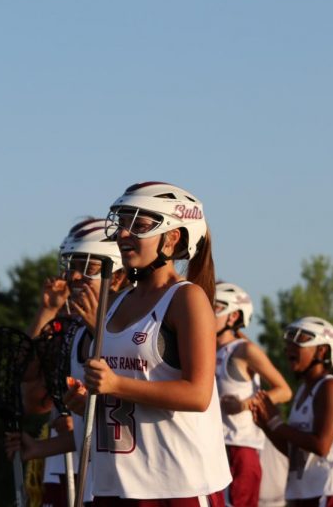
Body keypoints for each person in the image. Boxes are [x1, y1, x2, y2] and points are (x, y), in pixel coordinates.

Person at [83, 181, 231, 505]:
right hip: (115, 484)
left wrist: (114, 383)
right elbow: (123, 398)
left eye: (138, 224)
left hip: (174, 486)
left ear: (172, 237)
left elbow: (198, 393)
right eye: (122, 222)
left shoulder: (186, 298)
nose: (123, 233)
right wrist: (82, 400)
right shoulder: (118, 302)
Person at [17, 218, 128, 506]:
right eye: (72, 266)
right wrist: (48, 310)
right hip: (72, 468)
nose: (74, 277)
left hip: (124, 471)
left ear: (116, 276)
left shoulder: (132, 325)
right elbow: (28, 380)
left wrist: (96, 327)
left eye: (87, 267)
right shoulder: (70, 326)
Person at [252, 317, 333, 506]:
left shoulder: (330, 387)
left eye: (298, 342)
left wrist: (277, 424)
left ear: (321, 351)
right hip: (308, 494)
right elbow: (295, 451)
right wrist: (266, 425)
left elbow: (321, 446)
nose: (289, 349)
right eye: (288, 344)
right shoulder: (304, 390)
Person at [213, 282, 292, 507]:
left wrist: (244, 405)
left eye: (215, 306)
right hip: (213, 445)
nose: (208, 312)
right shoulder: (208, 348)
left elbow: (284, 391)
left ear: (233, 316)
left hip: (241, 446)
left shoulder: (244, 350)